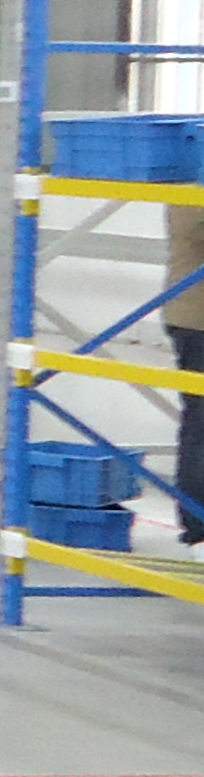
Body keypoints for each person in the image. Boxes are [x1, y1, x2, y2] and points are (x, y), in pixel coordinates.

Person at [173, 204, 204, 545]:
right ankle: (198, 526)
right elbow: (196, 230)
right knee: (201, 422)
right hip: (197, 321)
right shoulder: (191, 184)